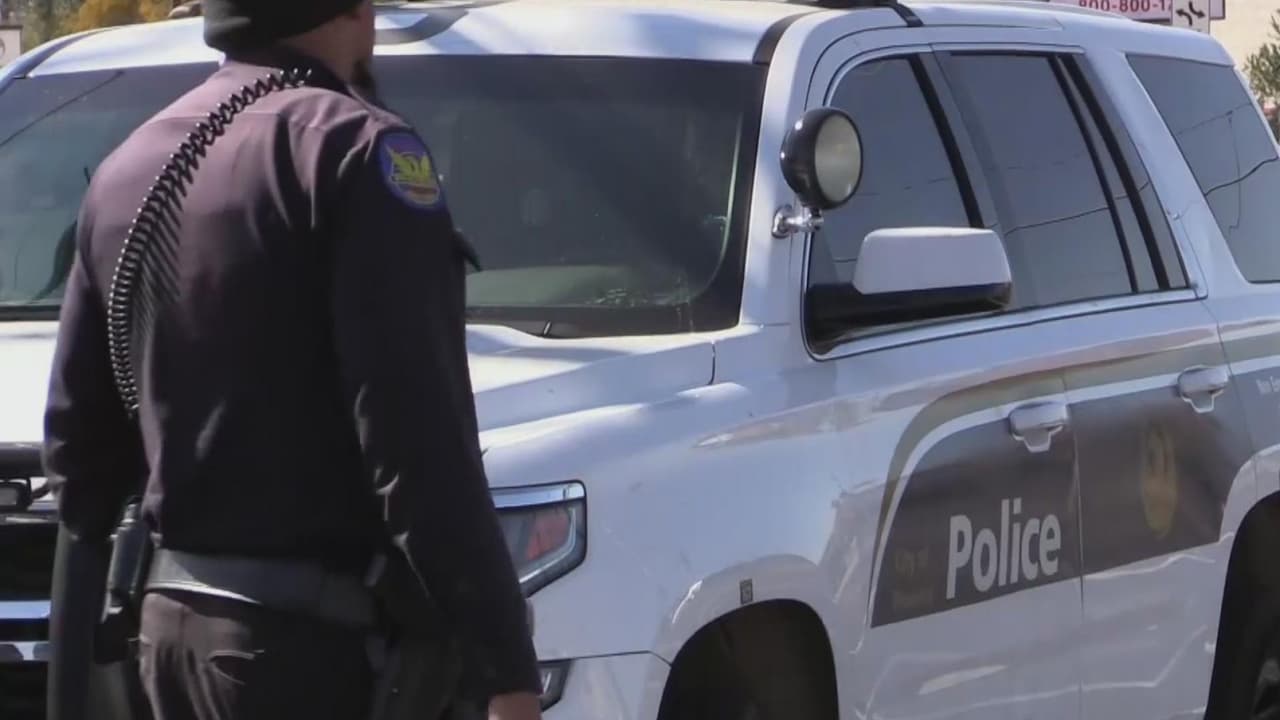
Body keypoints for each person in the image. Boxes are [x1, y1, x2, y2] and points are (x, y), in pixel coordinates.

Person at [41, 1, 544, 719]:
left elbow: (78, 462)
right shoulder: (355, 149)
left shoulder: (129, 166)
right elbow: (417, 445)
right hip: (305, 651)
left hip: (167, 641)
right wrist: (505, 668)